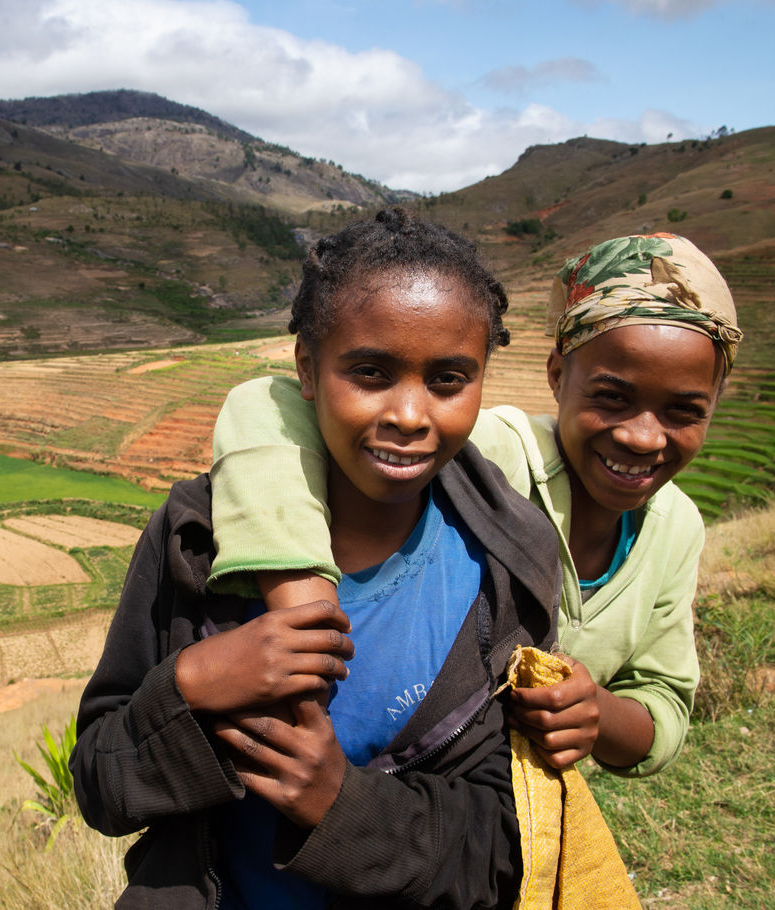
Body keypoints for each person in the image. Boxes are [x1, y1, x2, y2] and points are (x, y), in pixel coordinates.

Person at [71, 207, 562, 909]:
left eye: (449, 380)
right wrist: (190, 686)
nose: (410, 415)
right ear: (307, 367)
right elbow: (100, 786)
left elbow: (502, 852)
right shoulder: (196, 540)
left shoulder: (506, 569)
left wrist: (342, 805)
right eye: (370, 372)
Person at [208, 232, 741, 776]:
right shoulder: (497, 454)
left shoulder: (676, 528)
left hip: (501, 821)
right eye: (612, 397)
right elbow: (262, 405)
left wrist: (596, 713)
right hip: (401, 780)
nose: (643, 438)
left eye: (683, 411)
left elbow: (664, 703)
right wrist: (306, 615)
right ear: (558, 376)